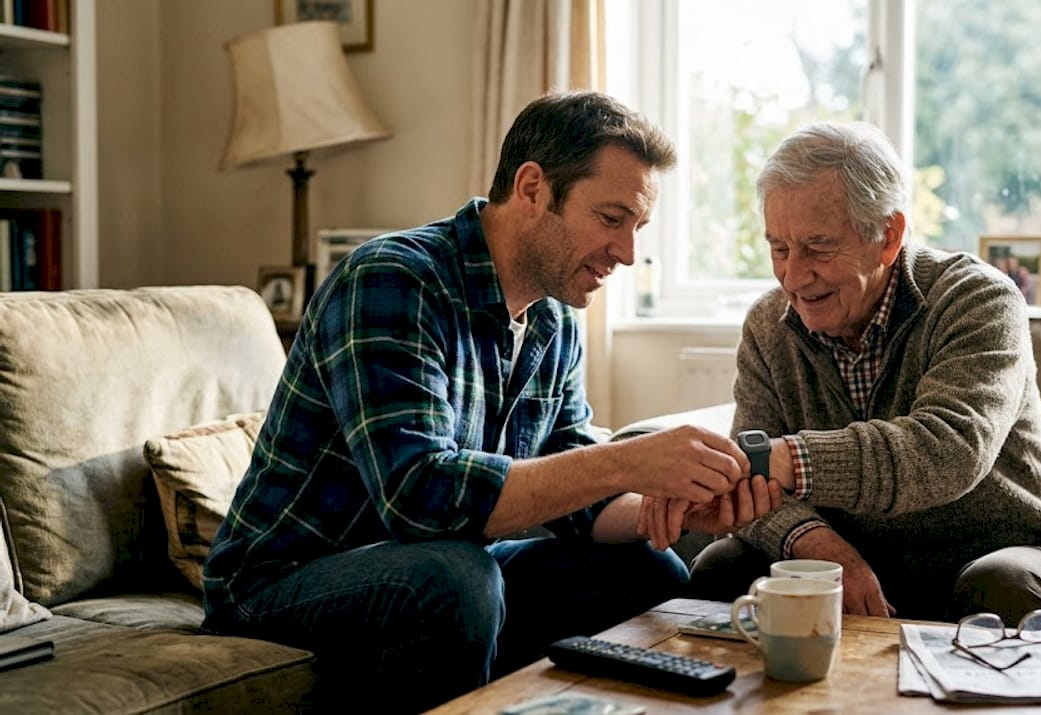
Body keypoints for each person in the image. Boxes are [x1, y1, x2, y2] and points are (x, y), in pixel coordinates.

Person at [202, 91, 781, 714]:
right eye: (611, 219)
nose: (627, 253)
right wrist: (630, 460)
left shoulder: (553, 322)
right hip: (282, 580)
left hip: (447, 563)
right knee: (452, 578)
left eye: (637, 228)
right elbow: (419, 499)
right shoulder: (391, 280)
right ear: (532, 188)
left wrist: (678, 508)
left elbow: (578, 492)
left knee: (649, 569)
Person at [654, 121, 1041, 626]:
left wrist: (784, 460)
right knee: (722, 568)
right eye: (779, 248)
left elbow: (949, 450)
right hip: (855, 560)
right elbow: (752, 497)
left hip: (1015, 552)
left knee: (1002, 586)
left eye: (818, 248)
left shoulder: (979, 299)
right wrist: (816, 545)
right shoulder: (767, 325)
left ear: (887, 236)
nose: (794, 277)